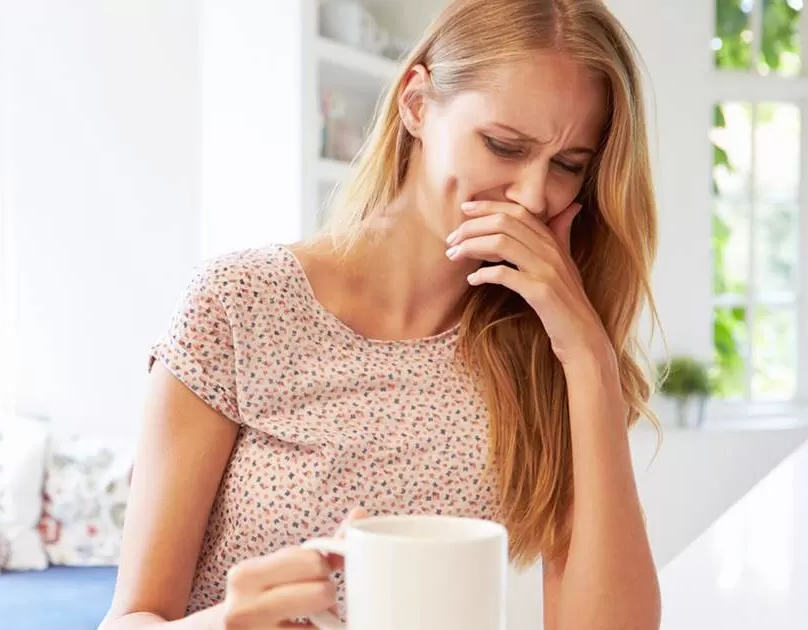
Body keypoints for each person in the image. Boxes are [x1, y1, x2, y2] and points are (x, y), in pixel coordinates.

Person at [101, 0, 661, 627]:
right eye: (504, 146)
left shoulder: (542, 353)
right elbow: (131, 619)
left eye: (567, 166)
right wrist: (225, 623)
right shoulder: (240, 304)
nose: (532, 196)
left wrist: (589, 356)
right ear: (416, 104)